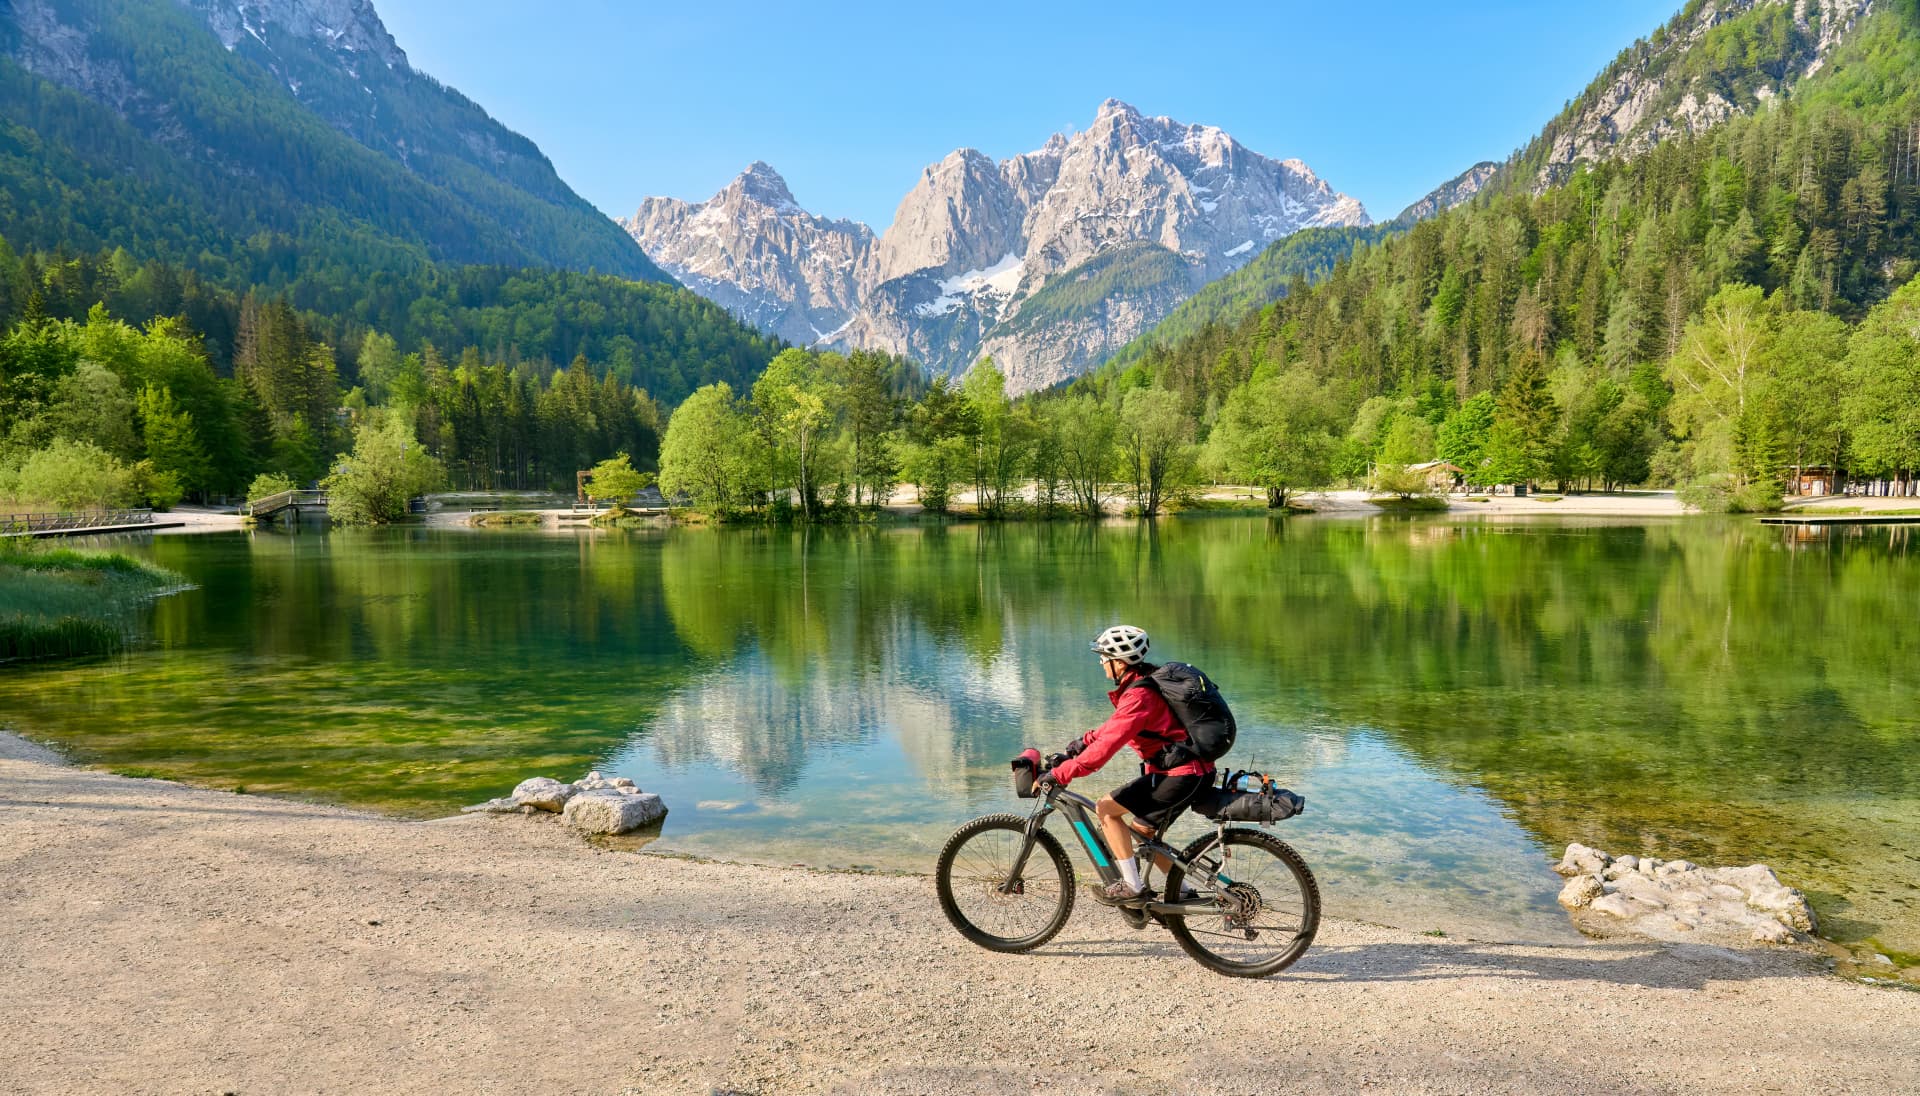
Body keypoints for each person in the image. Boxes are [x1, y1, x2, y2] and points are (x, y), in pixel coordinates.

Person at [1041, 624, 1215, 903]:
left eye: (1104, 657)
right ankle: (1181, 893)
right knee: (1143, 832)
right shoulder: (1143, 682)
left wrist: (1062, 773)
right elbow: (1115, 727)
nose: (1101, 662)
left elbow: (1106, 748)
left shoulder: (1138, 695)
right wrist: (1082, 743)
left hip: (1180, 775)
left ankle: (1132, 887)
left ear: (1119, 662)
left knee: (1106, 809)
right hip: (1193, 771)